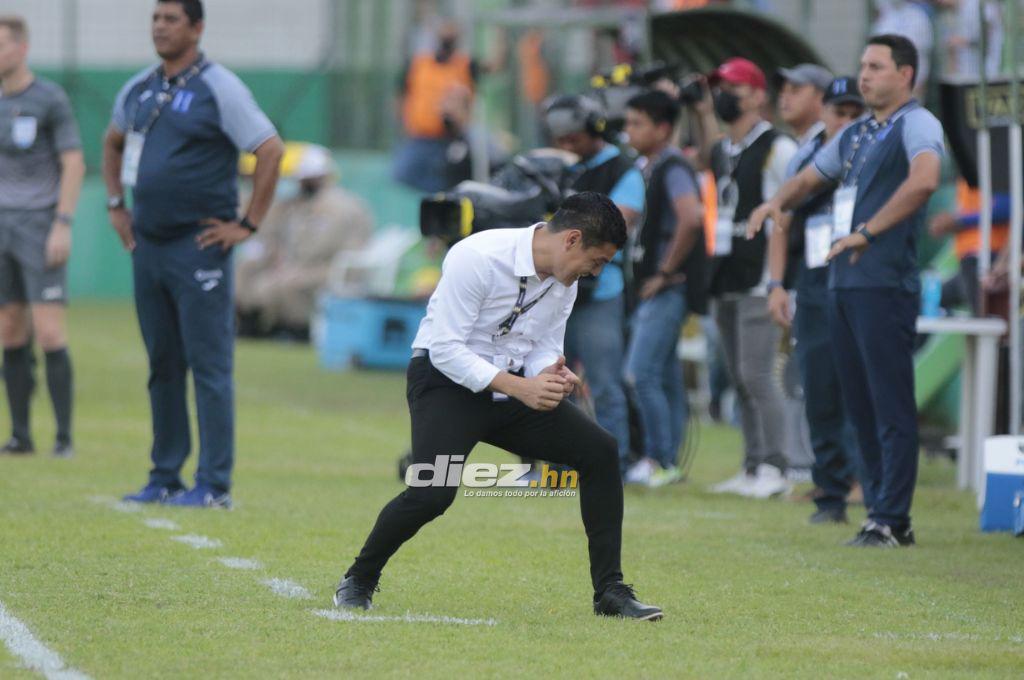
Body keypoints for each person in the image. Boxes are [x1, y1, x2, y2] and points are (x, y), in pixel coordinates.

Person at [333, 192, 663, 621]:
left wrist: (552, 374)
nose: (595, 272)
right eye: (596, 261)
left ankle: (610, 593)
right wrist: (522, 388)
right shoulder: (478, 256)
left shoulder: (566, 281)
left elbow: (544, 345)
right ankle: (358, 579)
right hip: (445, 384)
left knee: (599, 451)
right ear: (572, 240)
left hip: (513, 387)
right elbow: (445, 349)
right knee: (432, 493)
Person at [749, 34, 944, 547]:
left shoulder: (918, 124)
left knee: (889, 406)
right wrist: (775, 204)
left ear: (906, 75)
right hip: (842, 284)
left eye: (877, 66)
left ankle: (893, 518)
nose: (865, 75)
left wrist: (868, 231)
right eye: (862, 65)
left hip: (883, 283)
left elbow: (926, 180)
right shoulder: (857, 132)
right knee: (857, 406)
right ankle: (875, 512)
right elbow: (810, 179)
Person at [103, 0, 284, 508]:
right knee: (162, 363)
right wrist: (116, 204)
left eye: (171, 19)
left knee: (209, 366)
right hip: (148, 244)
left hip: (198, 245)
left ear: (197, 28)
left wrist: (247, 224)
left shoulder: (219, 86)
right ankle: (164, 475)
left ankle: (214, 484)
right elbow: (112, 142)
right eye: (155, 19)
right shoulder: (140, 87)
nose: (160, 27)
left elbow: (269, 149)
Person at [758, 76, 868, 525]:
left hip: (862, 278)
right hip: (816, 280)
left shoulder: (873, 154)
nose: (843, 123)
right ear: (823, 111)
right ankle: (831, 490)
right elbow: (782, 217)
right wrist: (777, 284)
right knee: (819, 386)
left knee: (861, 386)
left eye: (851, 115)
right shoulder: (806, 157)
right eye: (836, 112)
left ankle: (869, 485)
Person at [693, 58, 798, 499]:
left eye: (733, 87)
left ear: (757, 95)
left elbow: (787, 212)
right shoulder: (724, 149)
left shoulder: (779, 147)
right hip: (725, 274)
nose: (724, 95)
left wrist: (777, 280)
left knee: (757, 375)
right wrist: (698, 112)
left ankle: (777, 465)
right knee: (738, 377)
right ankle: (753, 465)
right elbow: (704, 158)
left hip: (759, 278)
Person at [542, 94, 645, 475]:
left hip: (601, 293)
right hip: (554, 290)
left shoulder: (623, 171)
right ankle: (555, 464)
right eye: (561, 139)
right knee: (550, 381)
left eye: (573, 138)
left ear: (595, 130)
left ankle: (611, 464)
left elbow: (617, 225)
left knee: (604, 384)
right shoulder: (562, 168)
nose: (567, 145)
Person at [0, 16, 84, 458]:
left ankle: (64, 437)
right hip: (2, 228)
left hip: (39, 227)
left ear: (21, 49)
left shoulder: (49, 98)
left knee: (50, 333)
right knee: (10, 330)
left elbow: (73, 162)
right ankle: (20, 435)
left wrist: (62, 223)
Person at [621, 91, 706, 487]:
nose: (629, 131)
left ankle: (659, 460)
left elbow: (691, 218)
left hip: (667, 288)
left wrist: (665, 270)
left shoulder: (673, 166)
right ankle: (669, 462)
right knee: (665, 375)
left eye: (637, 123)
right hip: (655, 286)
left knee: (641, 372)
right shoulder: (650, 167)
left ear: (663, 128)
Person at [235, 144, 374, 339]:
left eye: (307, 180)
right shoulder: (297, 205)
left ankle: (296, 331)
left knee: (287, 282)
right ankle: (255, 325)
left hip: (331, 268)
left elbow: (338, 250)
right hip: (300, 265)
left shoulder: (344, 207)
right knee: (252, 273)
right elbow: (277, 235)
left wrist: (296, 265)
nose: (301, 184)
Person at [393, 21, 478, 193]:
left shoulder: (465, 65)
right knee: (402, 173)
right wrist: (402, 122)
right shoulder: (419, 63)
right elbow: (401, 94)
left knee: (452, 179)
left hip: (449, 138)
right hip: (420, 135)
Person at [928, 178, 1009, 315]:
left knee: (986, 322)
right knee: (933, 300)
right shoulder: (966, 172)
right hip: (971, 259)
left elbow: (1006, 208)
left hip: (986, 256)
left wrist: (959, 221)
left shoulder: (996, 165)